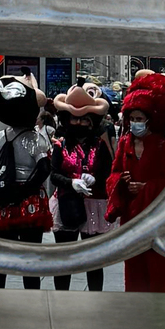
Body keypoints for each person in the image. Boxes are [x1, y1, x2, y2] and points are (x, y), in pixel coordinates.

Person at [0, 73, 55, 287]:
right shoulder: (35, 139)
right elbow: (44, 168)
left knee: (0, 257)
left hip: (3, 199)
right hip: (29, 202)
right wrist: (25, 190)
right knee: (30, 258)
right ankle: (32, 297)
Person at [108, 71, 165, 292]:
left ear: (151, 120)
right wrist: (121, 182)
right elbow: (113, 174)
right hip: (132, 217)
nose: (135, 124)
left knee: (161, 270)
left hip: (158, 219)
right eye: (132, 119)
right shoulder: (124, 143)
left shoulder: (164, 145)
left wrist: (147, 188)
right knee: (135, 271)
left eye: (139, 119)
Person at [49, 81, 113, 292]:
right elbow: (54, 174)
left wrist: (95, 178)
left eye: (84, 119)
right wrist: (71, 182)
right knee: (63, 259)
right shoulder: (59, 145)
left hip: (94, 204)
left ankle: (95, 298)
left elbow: (108, 171)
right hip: (67, 203)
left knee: (93, 260)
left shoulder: (100, 145)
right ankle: (60, 300)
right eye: (74, 118)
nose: (79, 122)